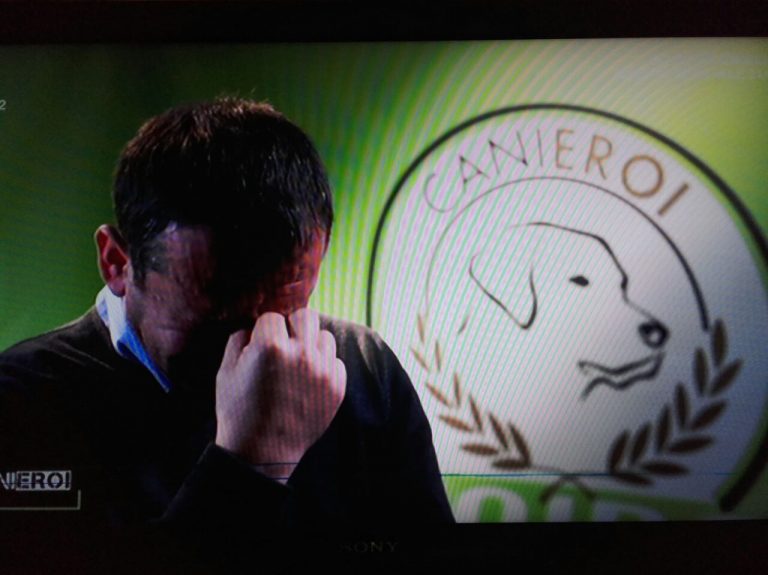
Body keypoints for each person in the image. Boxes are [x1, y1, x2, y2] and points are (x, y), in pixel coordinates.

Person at [0, 98, 454, 573]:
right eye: (216, 324)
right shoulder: (22, 401)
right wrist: (252, 466)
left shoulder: (365, 372)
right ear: (117, 262)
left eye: (282, 310)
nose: (256, 351)